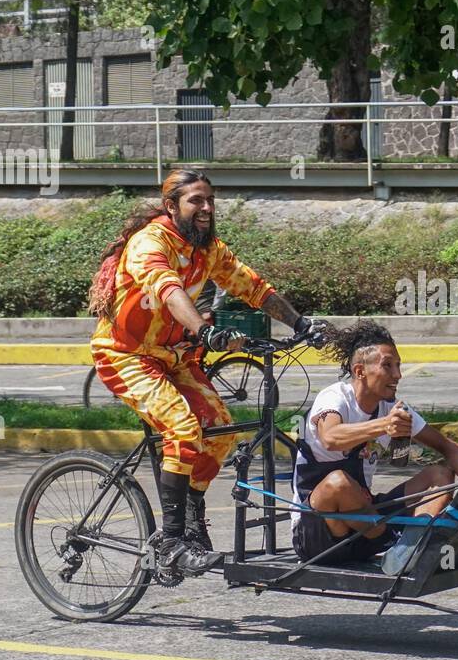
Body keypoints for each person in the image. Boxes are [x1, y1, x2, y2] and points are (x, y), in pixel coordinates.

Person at [87, 168, 323, 576]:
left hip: (175, 357)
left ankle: (192, 516)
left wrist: (300, 324)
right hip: (127, 356)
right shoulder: (150, 243)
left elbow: (254, 287)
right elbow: (168, 290)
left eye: (210, 200)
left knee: (221, 430)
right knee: (182, 427)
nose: (207, 208)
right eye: (196, 200)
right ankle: (171, 541)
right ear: (171, 206)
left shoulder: (208, 248)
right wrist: (205, 330)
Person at [291, 320, 458, 566]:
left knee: (439, 474)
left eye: (398, 366)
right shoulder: (335, 398)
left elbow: (449, 448)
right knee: (338, 482)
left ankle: (409, 549)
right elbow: (331, 438)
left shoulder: (392, 408)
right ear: (360, 371)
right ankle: (396, 544)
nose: (397, 375)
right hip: (318, 532)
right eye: (388, 366)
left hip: (364, 520)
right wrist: (383, 426)